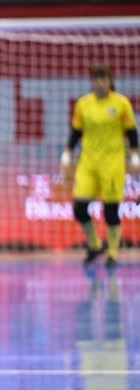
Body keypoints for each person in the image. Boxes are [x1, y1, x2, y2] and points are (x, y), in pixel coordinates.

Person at [61, 63, 140, 269]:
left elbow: (131, 131)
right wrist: (68, 152)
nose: (100, 83)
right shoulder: (83, 104)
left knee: (111, 211)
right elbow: (76, 131)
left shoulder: (121, 103)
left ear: (110, 81)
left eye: (103, 79)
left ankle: (113, 253)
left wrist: (134, 154)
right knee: (79, 208)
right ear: (91, 82)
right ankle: (95, 245)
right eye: (96, 79)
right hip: (88, 163)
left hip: (112, 164)